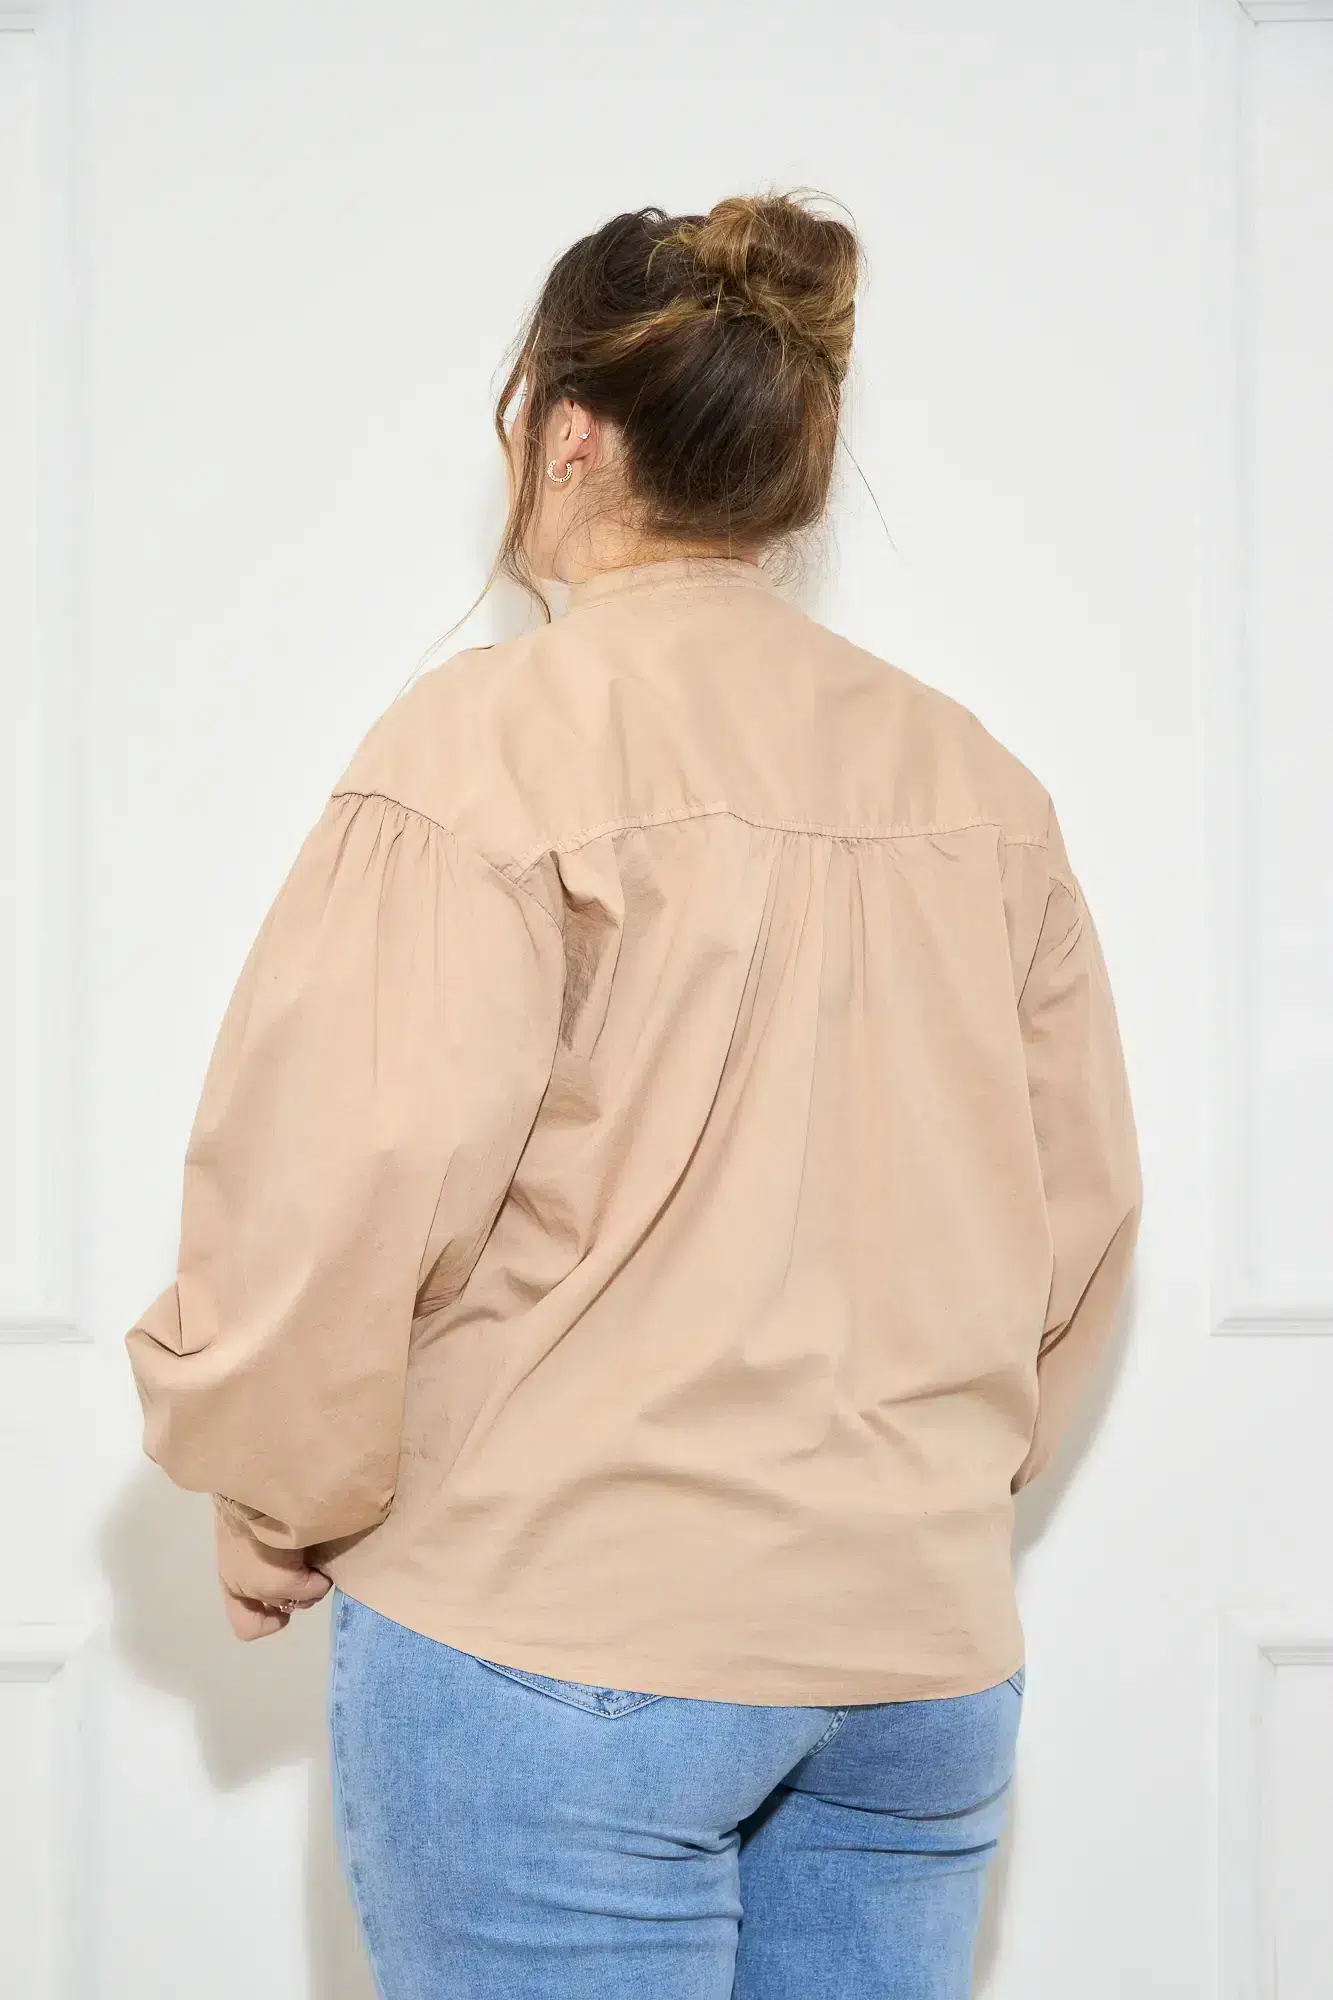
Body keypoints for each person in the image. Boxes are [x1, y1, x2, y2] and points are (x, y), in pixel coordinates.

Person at [126, 190, 1141, 1999]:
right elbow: (1079, 1220)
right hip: (913, 1667)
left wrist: (271, 1483)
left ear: (570, 432)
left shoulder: (486, 743)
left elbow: (352, 1171)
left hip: (562, 1651)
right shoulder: (981, 784)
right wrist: (908, 1503)